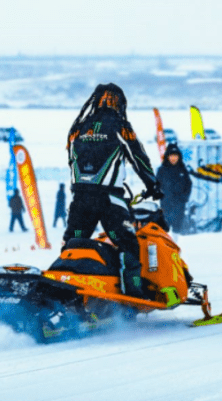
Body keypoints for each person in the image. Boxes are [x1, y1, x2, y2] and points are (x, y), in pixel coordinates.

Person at [64, 83, 159, 298]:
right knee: (127, 243)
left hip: (79, 198)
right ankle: (133, 293)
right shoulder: (120, 126)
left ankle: (65, 290)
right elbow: (138, 157)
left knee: (73, 242)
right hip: (109, 199)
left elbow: (71, 160)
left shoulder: (78, 128)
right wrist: (153, 185)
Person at [157, 142, 191, 233]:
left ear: (179, 157)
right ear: (167, 157)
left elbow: (188, 184)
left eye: (175, 156)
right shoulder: (162, 170)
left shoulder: (182, 170)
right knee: (165, 228)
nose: (173, 158)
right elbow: (156, 185)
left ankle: (176, 243)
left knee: (177, 227)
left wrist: (184, 198)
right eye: (171, 156)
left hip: (179, 204)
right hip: (166, 205)